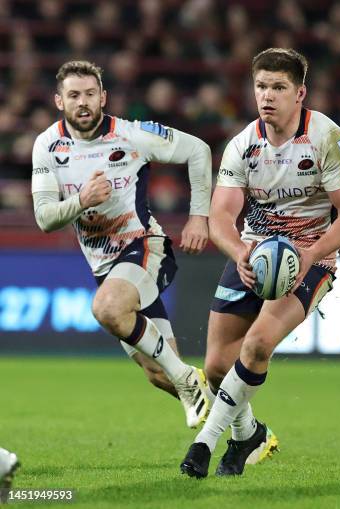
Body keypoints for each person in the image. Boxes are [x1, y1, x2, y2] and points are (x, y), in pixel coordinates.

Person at [180, 48, 340, 478]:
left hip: (311, 257)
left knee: (258, 345)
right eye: (261, 86)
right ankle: (250, 435)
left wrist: (313, 254)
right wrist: (239, 253)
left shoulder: (329, 140)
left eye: (278, 87)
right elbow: (221, 217)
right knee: (215, 368)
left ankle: (204, 445)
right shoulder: (243, 145)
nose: (267, 96)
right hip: (255, 252)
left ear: (300, 92)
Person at [31, 61, 212, 429]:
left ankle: (186, 376)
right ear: (58, 101)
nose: (83, 102)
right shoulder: (47, 145)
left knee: (107, 309)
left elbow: (198, 150)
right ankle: (248, 428)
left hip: (144, 247)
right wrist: (82, 200)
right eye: (73, 95)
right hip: (105, 267)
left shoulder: (132, 135)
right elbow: (45, 218)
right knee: (157, 373)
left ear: (104, 97)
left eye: (90, 94)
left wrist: (198, 216)